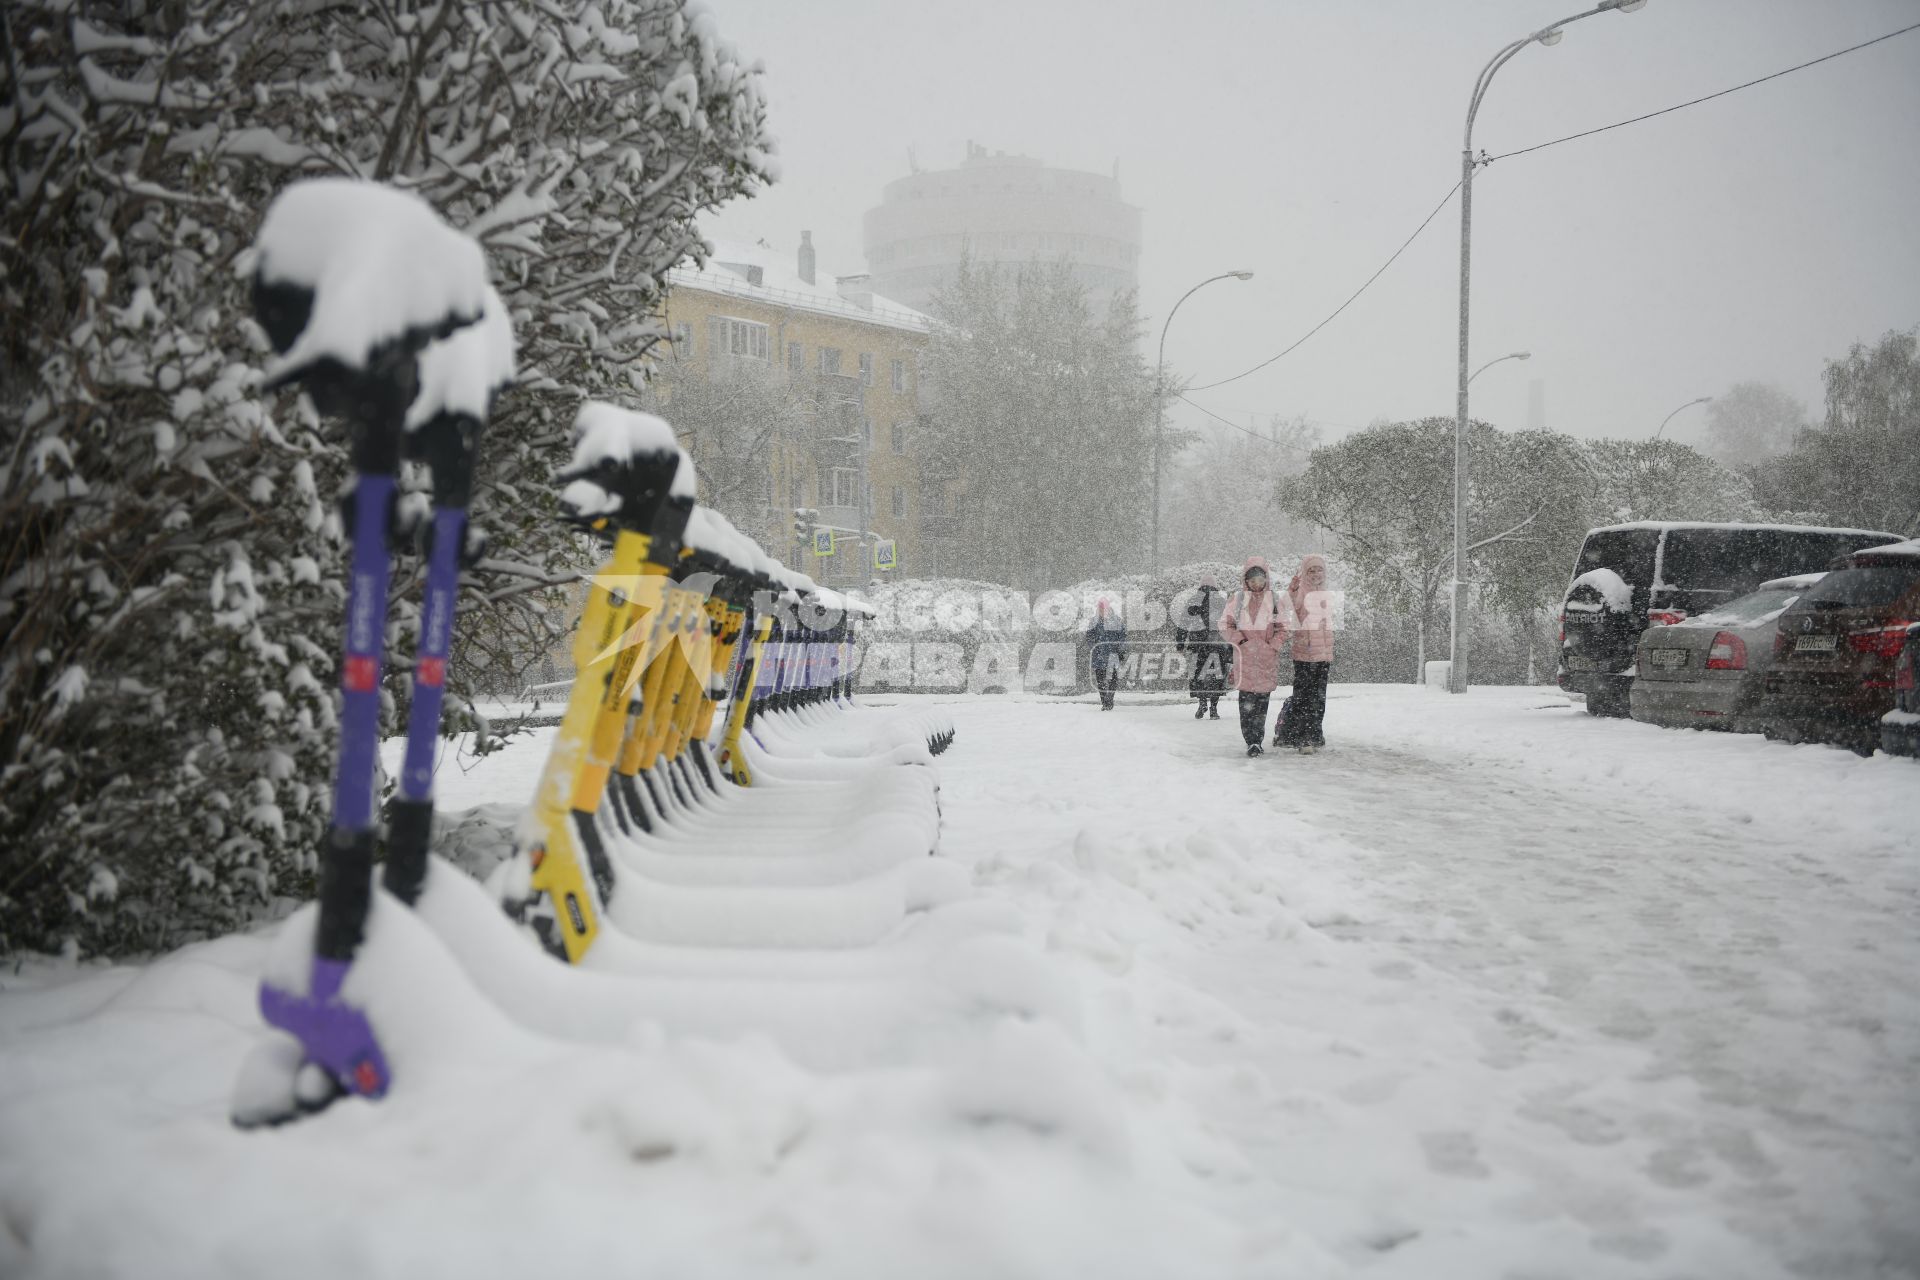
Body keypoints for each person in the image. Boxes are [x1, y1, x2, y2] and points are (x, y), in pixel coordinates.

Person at [1218, 557, 1288, 756]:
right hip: (1245, 659)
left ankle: (1257, 739)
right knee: (1246, 703)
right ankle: (1251, 740)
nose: (1256, 584)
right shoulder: (1238, 600)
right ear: (1246, 581)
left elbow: (1283, 628)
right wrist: (1241, 642)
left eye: (1260, 579)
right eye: (1252, 580)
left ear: (1266, 579)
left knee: (1262, 703)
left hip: (1266, 659)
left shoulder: (1274, 600)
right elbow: (1224, 625)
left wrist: (1272, 646)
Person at [1276, 553, 1334, 752]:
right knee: (1303, 697)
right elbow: (1286, 606)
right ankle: (1302, 737)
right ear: (1304, 572)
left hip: (1324, 655)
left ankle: (1315, 732)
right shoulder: (1300, 591)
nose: (1316, 573)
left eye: (1319, 569)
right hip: (1305, 654)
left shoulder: (1326, 592)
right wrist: (1292, 590)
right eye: (1311, 570)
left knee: (1319, 697)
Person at [1174, 574, 1231, 719]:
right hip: (1217, 644)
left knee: (1198, 674)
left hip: (1198, 645)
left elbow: (1183, 623)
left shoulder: (1193, 601)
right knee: (1217, 676)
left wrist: (1180, 644)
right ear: (1215, 586)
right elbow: (1230, 623)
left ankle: (1202, 703)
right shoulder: (1222, 601)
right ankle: (1213, 708)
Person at [1085, 598, 1127, 711]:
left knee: (1113, 678)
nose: (1102, 611)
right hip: (1099, 655)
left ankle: (1109, 699)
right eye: (1100, 608)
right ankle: (1105, 702)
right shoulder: (1094, 621)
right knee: (1101, 680)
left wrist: (1121, 650)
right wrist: (1093, 647)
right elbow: (1089, 637)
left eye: (1104, 608)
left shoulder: (1117, 620)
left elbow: (1122, 637)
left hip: (1113, 655)